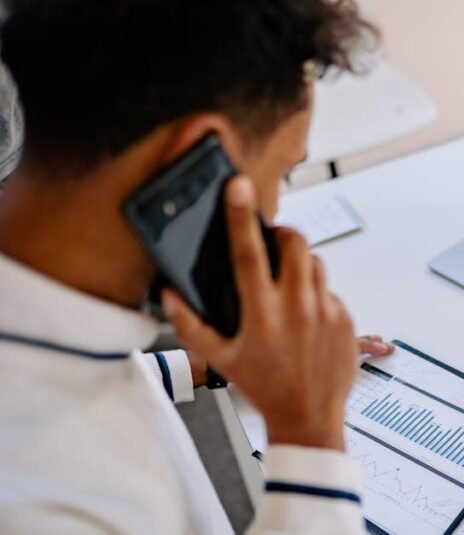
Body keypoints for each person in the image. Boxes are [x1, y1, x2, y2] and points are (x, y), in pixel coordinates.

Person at [0, 0, 394, 532]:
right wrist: (310, 436)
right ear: (195, 160)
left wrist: (207, 365)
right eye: (282, 173)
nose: (277, 213)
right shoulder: (49, 504)